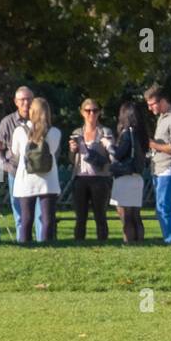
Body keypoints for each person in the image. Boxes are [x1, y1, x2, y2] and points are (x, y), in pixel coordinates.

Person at [10, 96, 61, 244]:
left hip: (26, 178)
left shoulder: (20, 131)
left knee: (26, 218)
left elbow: (16, 152)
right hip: (48, 179)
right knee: (47, 218)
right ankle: (47, 244)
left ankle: (25, 245)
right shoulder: (55, 132)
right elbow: (54, 150)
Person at [0, 86, 40, 240]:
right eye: (22, 100)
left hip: (38, 173)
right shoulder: (7, 122)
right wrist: (8, 167)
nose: (26, 103)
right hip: (16, 173)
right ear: (16, 102)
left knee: (40, 213)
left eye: (29, 99)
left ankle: (43, 243)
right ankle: (23, 243)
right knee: (19, 212)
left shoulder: (40, 120)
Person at [144, 84, 171, 244]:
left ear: (162, 101)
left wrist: (152, 144)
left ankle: (170, 240)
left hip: (170, 169)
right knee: (161, 207)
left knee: (164, 207)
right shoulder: (163, 118)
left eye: (151, 104)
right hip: (159, 169)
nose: (150, 108)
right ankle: (168, 238)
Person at [69, 99, 115, 241]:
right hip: (80, 178)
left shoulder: (105, 131)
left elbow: (113, 155)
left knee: (100, 215)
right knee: (80, 216)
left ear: (100, 112)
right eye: (88, 110)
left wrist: (107, 146)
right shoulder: (77, 132)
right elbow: (72, 160)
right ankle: (79, 242)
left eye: (95, 110)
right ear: (82, 112)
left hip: (100, 178)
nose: (91, 114)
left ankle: (102, 241)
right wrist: (72, 150)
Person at [109, 101, 148, 245]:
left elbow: (119, 154)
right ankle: (140, 243)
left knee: (126, 217)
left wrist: (108, 146)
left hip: (125, 177)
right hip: (137, 177)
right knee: (136, 215)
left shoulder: (127, 133)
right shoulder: (141, 134)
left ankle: (129, 243)